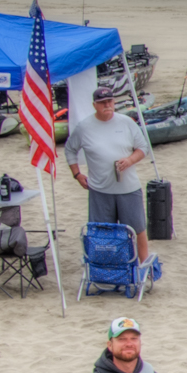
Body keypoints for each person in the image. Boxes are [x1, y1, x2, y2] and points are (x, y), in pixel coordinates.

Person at [63, 83, 153, 264]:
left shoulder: (126, 122)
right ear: (94, 105)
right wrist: (77, 174)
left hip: (128, 188)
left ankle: (144, 267)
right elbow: (70, 149)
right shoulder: (84, 127)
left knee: (138, 229)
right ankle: (107, 268)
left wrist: (130, 160)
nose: (107, 105)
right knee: (102, 233)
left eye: (110, 101)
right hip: (100, 190)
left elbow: (143, 147)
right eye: (102, 102)